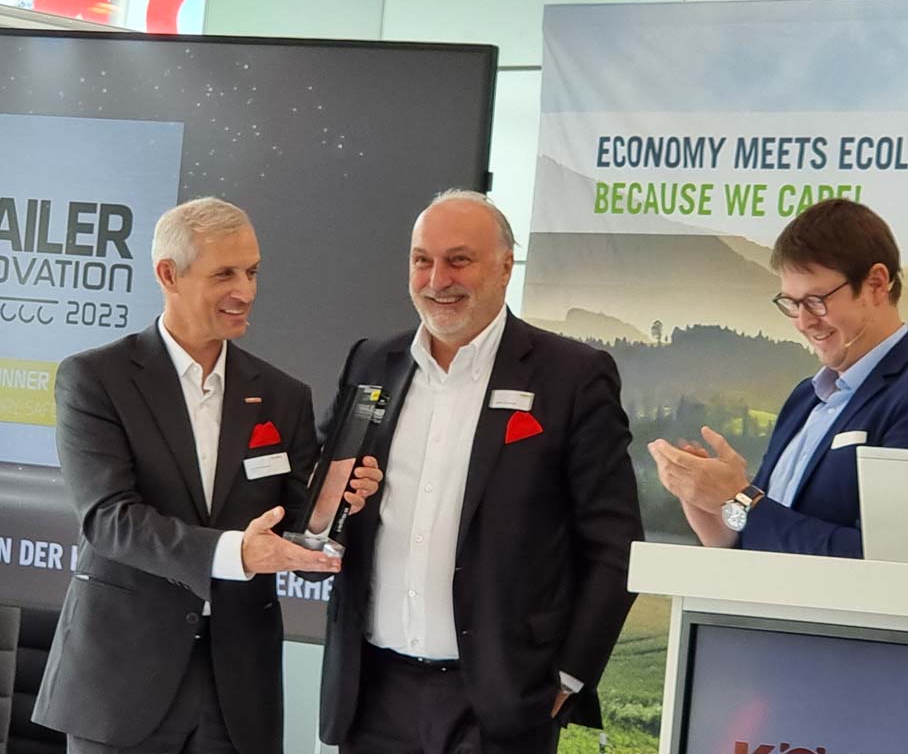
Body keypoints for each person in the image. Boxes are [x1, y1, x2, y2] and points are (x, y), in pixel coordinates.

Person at [32, 197, 381, 754]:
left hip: (238, 689)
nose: (246, 290)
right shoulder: (96, 379)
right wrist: (236, 553)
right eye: (224, 274)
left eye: (252, 272)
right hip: (122, 682)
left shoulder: (282, 395)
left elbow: (298, 538)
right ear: (168, 274)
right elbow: (109, 520)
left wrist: (326, 513)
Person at [316, 190, 644, 754]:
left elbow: (615, 544)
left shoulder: (571, 375)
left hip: (501, 702)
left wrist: (570, 675)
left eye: (459, 260)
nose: (437, 280)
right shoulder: (372, 361)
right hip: (372, 694)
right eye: (422, 260)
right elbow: (320, 493)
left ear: (506, 266)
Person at [648, 198, 908, 558]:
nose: (804, 322)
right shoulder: (805, 398)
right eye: (792, 304)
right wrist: (706, 500)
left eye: (817, 301)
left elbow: (900, 562)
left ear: (876, 284)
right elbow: (762, 539)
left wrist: (740, 499)